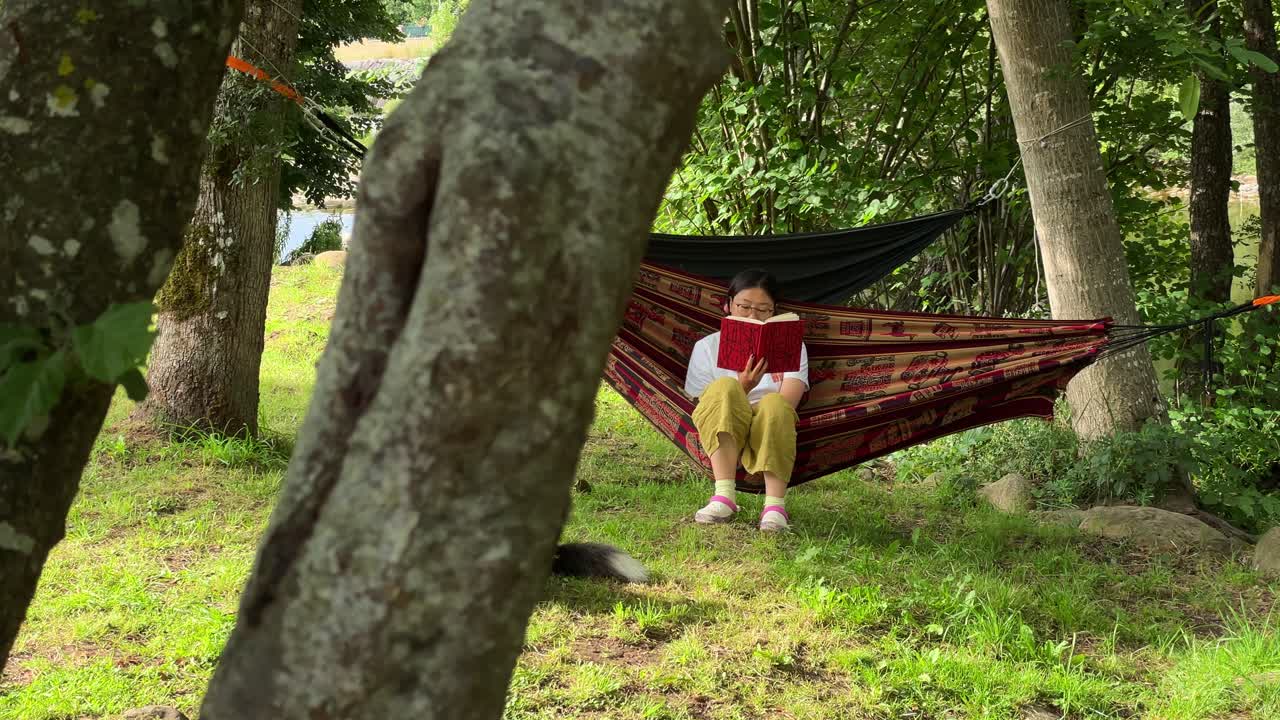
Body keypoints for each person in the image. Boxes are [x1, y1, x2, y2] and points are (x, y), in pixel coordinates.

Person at [683, 269, 809, 532]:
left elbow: (788, 402)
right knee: (726, 387)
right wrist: (744, 386)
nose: (753, 316)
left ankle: (774, 507)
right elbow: (704, 406)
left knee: (775, 404)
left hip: (771, 426)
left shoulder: (793, 347)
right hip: (723, 427)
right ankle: (724, 496)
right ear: (728, 305)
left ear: (774, 312)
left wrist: (753, 419)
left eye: (764, 310)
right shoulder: (707, 347)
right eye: (744, 307)